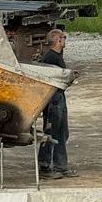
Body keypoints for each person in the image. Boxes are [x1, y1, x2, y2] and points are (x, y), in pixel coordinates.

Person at [36, 28, 73, 178]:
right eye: (63, 37)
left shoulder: (56, 56)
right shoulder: (51, 57)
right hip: (53, 100)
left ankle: (61, 165)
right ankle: (45, 166)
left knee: (62, 132)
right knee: (52, 132)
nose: (64, 40)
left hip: (58, 98)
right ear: (58, 40)